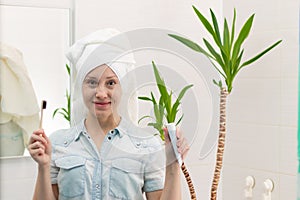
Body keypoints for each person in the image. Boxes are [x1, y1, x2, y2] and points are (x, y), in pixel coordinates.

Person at [28, 28, 190, 200]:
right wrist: (43, 167)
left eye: (111, 83)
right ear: (80, 87)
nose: (101, 93)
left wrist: (172, 165)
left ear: (123, 87)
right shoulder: (58, 143)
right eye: (91, 82)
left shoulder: (146, 146)